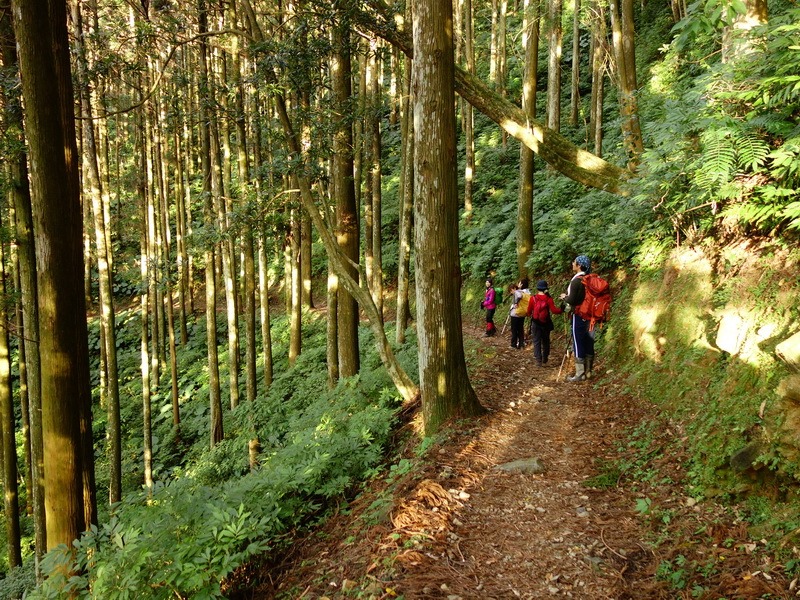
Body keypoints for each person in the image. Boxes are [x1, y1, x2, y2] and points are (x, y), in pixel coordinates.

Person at [560, 255, 595, 381]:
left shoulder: (576, 281)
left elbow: (572, 300)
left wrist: (564, 297)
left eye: (574, 262)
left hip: (579, 315)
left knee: (578, 342)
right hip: (591, 316)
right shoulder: (591, 279)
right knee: (589, 340)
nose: (572, 263)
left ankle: (580, 374)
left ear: (579, 265)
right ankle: (589, 370)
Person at [527, 280, 563, 366]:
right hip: (545, 323)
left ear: (537, 288)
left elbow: (528, 311)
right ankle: (545, 357)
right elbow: (554, 311)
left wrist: (529, 315)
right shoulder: (548, 299)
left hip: (535, 322)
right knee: (546, 341)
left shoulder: (533, 298)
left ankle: (538, 360)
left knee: (536, 341)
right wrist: (562, 309)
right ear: (546, 288)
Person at [509, 278, 530, 350]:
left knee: (514, 329)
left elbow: (519, 296)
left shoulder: (518, 292)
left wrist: (515, 302)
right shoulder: (527, 292)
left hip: (516, 313)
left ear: (522, 284)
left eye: (519, 283)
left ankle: (513, 344)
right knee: (520, 329)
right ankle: (521, 344)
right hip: (523, 313)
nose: (518, 284)